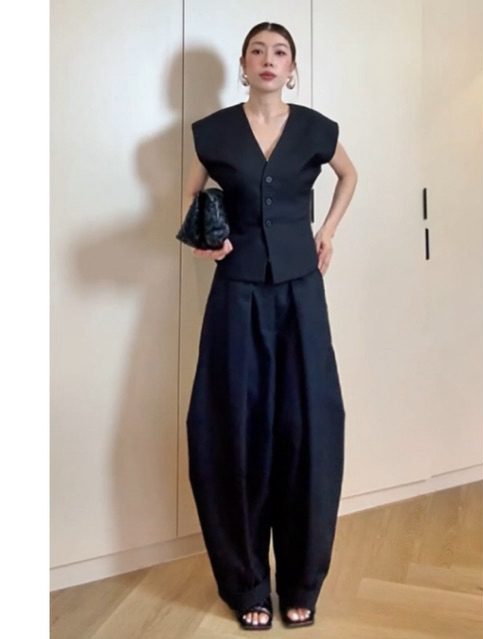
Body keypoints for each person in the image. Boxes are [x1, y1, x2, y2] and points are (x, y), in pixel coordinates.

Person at [182, 21, 358, 630]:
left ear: (292, 66)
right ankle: (248, 585)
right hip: (235, 293)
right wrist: (205, 237)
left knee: (309, 426)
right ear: (243, 63)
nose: (268, 59)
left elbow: (350, 175)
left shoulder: (315, 128)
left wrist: (326, 231)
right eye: (257, 50)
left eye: (279, 51)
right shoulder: (213, 132)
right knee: (232, 426)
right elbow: (189, 202)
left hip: (301, 292)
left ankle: (302, 581)